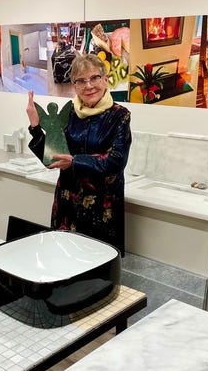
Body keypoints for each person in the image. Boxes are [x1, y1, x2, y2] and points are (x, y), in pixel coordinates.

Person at [26, 53, 132, 256]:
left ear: (105, 79)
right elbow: (52, 158)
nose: (88, 86)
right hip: (68, 203)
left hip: (101, 207)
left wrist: (75, 162)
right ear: (74, 86)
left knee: (98, 263)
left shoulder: (120, 115)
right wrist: (35, 127)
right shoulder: (69, 113)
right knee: (64, 259)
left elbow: (116, 160)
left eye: (94, 78)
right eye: (81, 81)